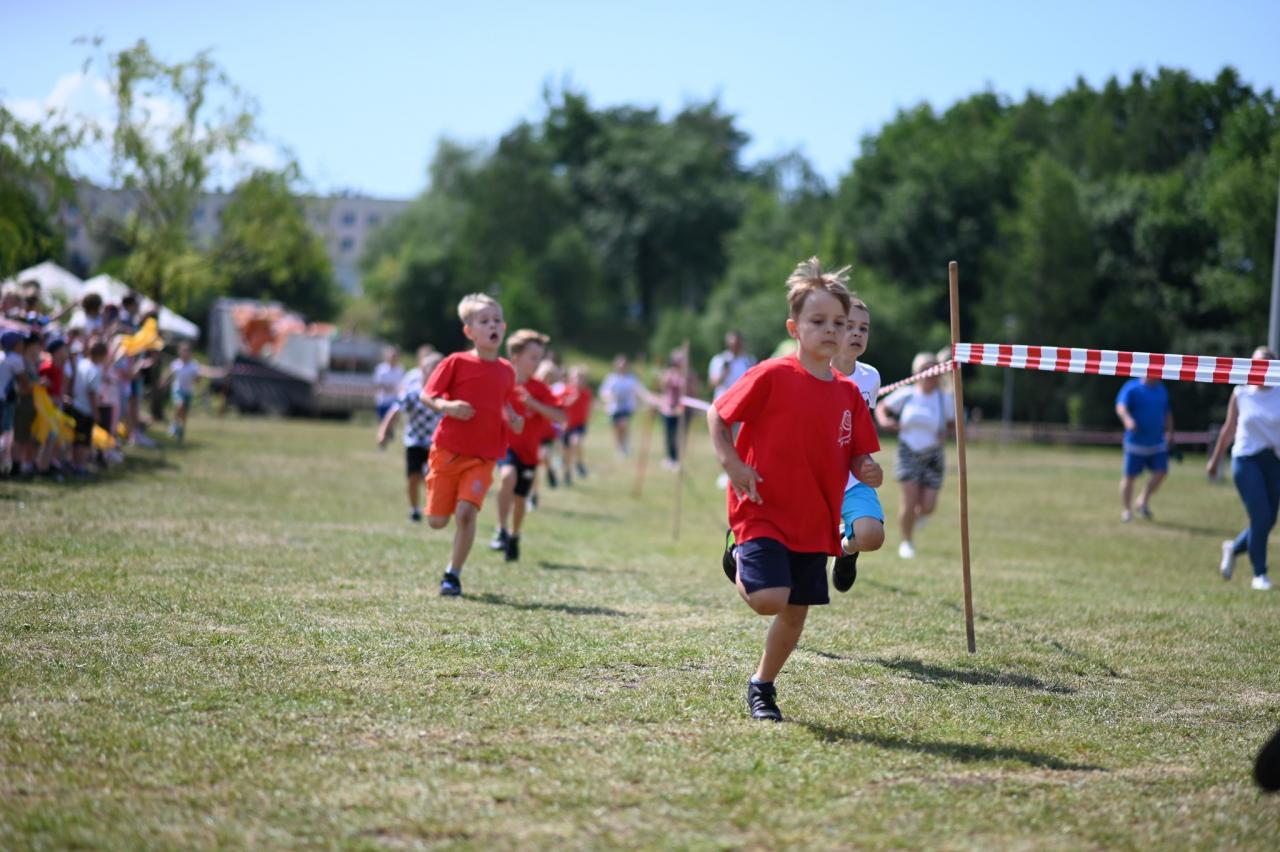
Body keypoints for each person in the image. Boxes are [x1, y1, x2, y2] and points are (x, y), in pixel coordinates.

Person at [709, 257, 882, 722]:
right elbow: (717, 415)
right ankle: (738, 552)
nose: (832, 330)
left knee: (795, 610)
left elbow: (858, 453)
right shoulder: (772, 374)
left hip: (813, 518)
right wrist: (732, 463)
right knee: (770, 599)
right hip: (761, 506)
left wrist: (866, 468)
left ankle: (762, 686)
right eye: (818, 321)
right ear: (794, 328)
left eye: (839, 323)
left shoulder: (849, 394)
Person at [420, 293, 523, 597]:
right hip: (448, 451)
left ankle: (452, 575)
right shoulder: (455, 362)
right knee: (437, 521)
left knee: (466, 513)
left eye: (497, 320)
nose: (493, 325)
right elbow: (427, 395)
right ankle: (441, 489)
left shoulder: (507, 370)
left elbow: (504, 404)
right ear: (470, 331)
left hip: (483, 456)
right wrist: (446, 407)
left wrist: (514, 418)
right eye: (484, 321)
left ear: (503, 328)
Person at [1206, 347, 1280, 591]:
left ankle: (1234, 548)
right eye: (1255, 364)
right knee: (1260, 516)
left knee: (1268, 520)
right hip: (1246, 459)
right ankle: (1259, 573)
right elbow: (1229, 429)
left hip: (1273, 461)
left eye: (1265, 365)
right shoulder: (1241, 393)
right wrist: (1215, 461)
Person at [490, 330, 566, 561]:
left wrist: (534, 404)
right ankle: (501, 529)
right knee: (507, 477)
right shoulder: (502, 383)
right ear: (515, 357)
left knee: (521, 499)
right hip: (506, 446)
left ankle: (515, 535)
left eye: (539, 358)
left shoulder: (540, 389)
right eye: (533, 357)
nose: (538, 363)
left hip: (530, 453)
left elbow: (561, 417)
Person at [829, 297, 885, 590]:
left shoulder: (870, 377)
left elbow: (863, 430)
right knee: (804, 552)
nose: (857, 334)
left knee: (872, 536)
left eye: (864, 328)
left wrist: (868, 464)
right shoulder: (813, 371)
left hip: (851, 478)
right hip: (812, 476)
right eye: (849, 326)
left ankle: (845, 548)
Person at [876, 352, 954, 559]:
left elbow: (952, 423)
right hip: (908, 452)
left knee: (928, 506)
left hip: (933, 455)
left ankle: (917, 517)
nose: (929, 375)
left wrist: (946, 433)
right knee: (909, 500)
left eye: (932, 371)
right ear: (916, 373)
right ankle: (906, 542)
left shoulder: (944, 399)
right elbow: (882, 406)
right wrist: (885, 421)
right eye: (924, 370)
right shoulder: (907, 394)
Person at [378, 350, 444, 522]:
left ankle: (433, 506)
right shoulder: (413, 393)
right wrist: (384, 431)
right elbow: (395, 411)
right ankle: (414, 509)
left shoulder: (445, 395)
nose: (435, 373)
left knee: (432, 478)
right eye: (432, 369)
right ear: (423, 371)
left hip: (436, 444)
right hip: (414, 440)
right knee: (413, 477)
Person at [1115, 375, 1173, 522]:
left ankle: (1142, 500)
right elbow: (1121, 406)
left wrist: (1169, 432)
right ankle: (1127, 511)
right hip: (1135, 441)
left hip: (1157, 442)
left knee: (1162, 471)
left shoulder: (1161, 389)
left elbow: (1167, 412)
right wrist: (1128, 420)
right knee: (1130, 477)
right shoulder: (1132, 387)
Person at [67, 340, 107, 474]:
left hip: (76, 405)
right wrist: (95, 411)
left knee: (76, 439)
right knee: (84, 441)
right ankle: (80, 467)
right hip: (86, 409)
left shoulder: (82, 363)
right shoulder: (95, 370)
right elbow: (92, 392)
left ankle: (74, 464)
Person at [599, 355, 642, 456]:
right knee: (617, 428)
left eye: (624, 365)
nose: (622, 367)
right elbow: (604, 392)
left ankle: (625, 444)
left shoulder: (631, 378)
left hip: (627, 407)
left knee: (624, 424)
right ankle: (619, 447)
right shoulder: (611, 378)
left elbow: (638, 390)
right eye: (620, 365)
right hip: (614, 408)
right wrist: (609, 397)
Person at [163, 342, 203, 442]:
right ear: (180, 352)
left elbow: (197, 380)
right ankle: (175, 425)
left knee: (184, 413)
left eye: (187, 351)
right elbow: (168, 372)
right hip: (178, 389)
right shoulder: (176, 364)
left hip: (189, 391)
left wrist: (198, 378)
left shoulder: (194, 365)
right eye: (183, 351)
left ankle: (181, 430)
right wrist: (163, 381)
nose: (185, 353)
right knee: (180, 405)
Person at [560, 366, 593, 482]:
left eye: (582, 379)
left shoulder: (586, 393)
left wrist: (587, 418)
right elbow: (561, 406)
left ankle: (579, 463)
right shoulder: (566, 390)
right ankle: (567, 472)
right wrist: (572, 399)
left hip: (579, 425)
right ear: (571, 379)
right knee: (566, 452)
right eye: (576, 378)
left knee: (576, 441)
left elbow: (587, 408)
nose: (579, 381)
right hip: (566, 425)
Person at [373, 346, 405, 428]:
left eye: (394, 356)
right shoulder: (381, 368)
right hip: (382, 401)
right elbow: (377, 384)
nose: (392, 358)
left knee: (391, 425)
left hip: (394, 402)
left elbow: (402, 385)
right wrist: (390, 387)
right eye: (391, 356)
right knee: (382, 423)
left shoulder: (400, 369)